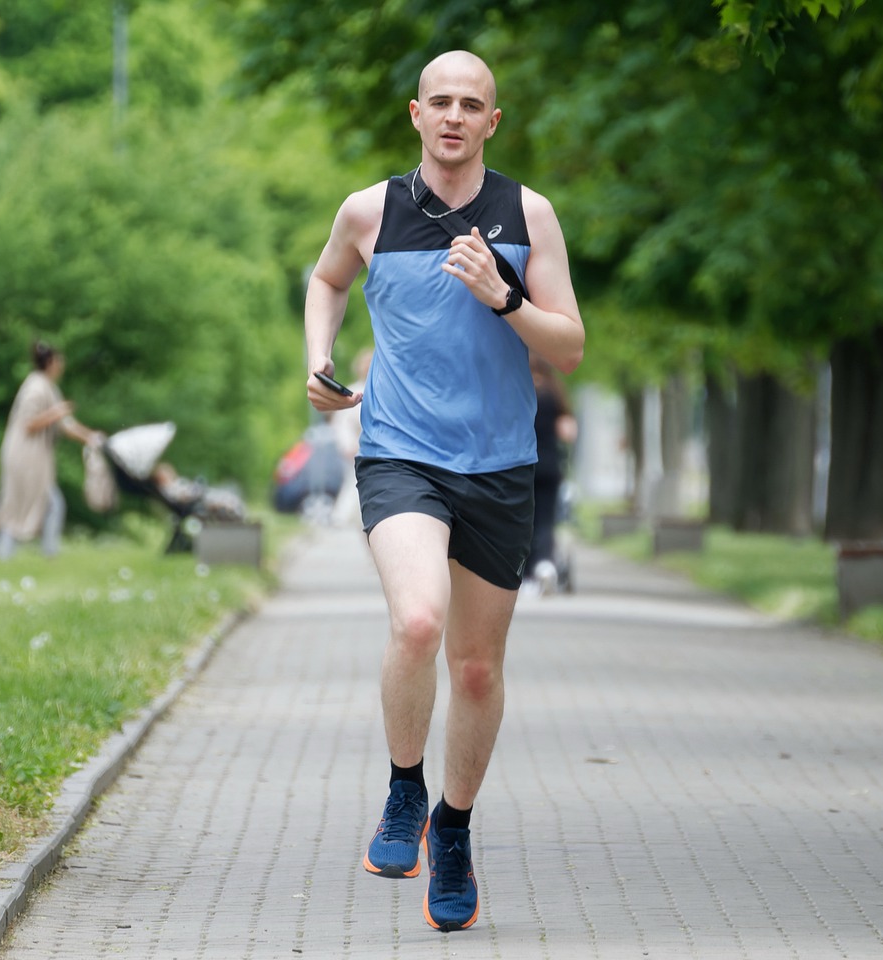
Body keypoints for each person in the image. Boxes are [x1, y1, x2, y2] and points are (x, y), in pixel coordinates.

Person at [303, 50, 584, 932]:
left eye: (472, 104)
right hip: (400, 452)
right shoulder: (369, 211)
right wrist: (318, 359)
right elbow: (327, 280)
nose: (454, 115)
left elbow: (570, 345)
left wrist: (505, 297)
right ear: (416, 114)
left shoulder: (528, 214)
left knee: (475, 667)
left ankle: (452, 829)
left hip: (499, 466)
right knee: (417, 621)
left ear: (492, 121)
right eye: (441, 102)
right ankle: (403, 790)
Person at [0, 341, 102, 560]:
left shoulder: (47, 387)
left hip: (33, 458)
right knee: (37, 503)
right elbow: (29, 424)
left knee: (29, 503)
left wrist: (91, 437)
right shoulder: (35, 387)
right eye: (59, 361)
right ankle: (45, 554)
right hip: (24, 456)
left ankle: (11, 556)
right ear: (51, 362)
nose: (62, 365)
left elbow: (66, 425)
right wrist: (56, 412)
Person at [523, 355, 578, 597]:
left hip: (523, 467)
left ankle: (525, 575)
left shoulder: (521, 392)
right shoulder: (555, 395)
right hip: (550, 467)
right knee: (546, 520)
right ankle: (544, 566)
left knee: (524, 521)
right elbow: (568, 432)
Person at [329, 347, 373, 527]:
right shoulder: (354, 391)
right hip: (357, 447)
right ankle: (342, 517)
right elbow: (342, 423)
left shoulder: (382, 390)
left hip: (375, 447)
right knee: (355, 482)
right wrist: (348, 445)